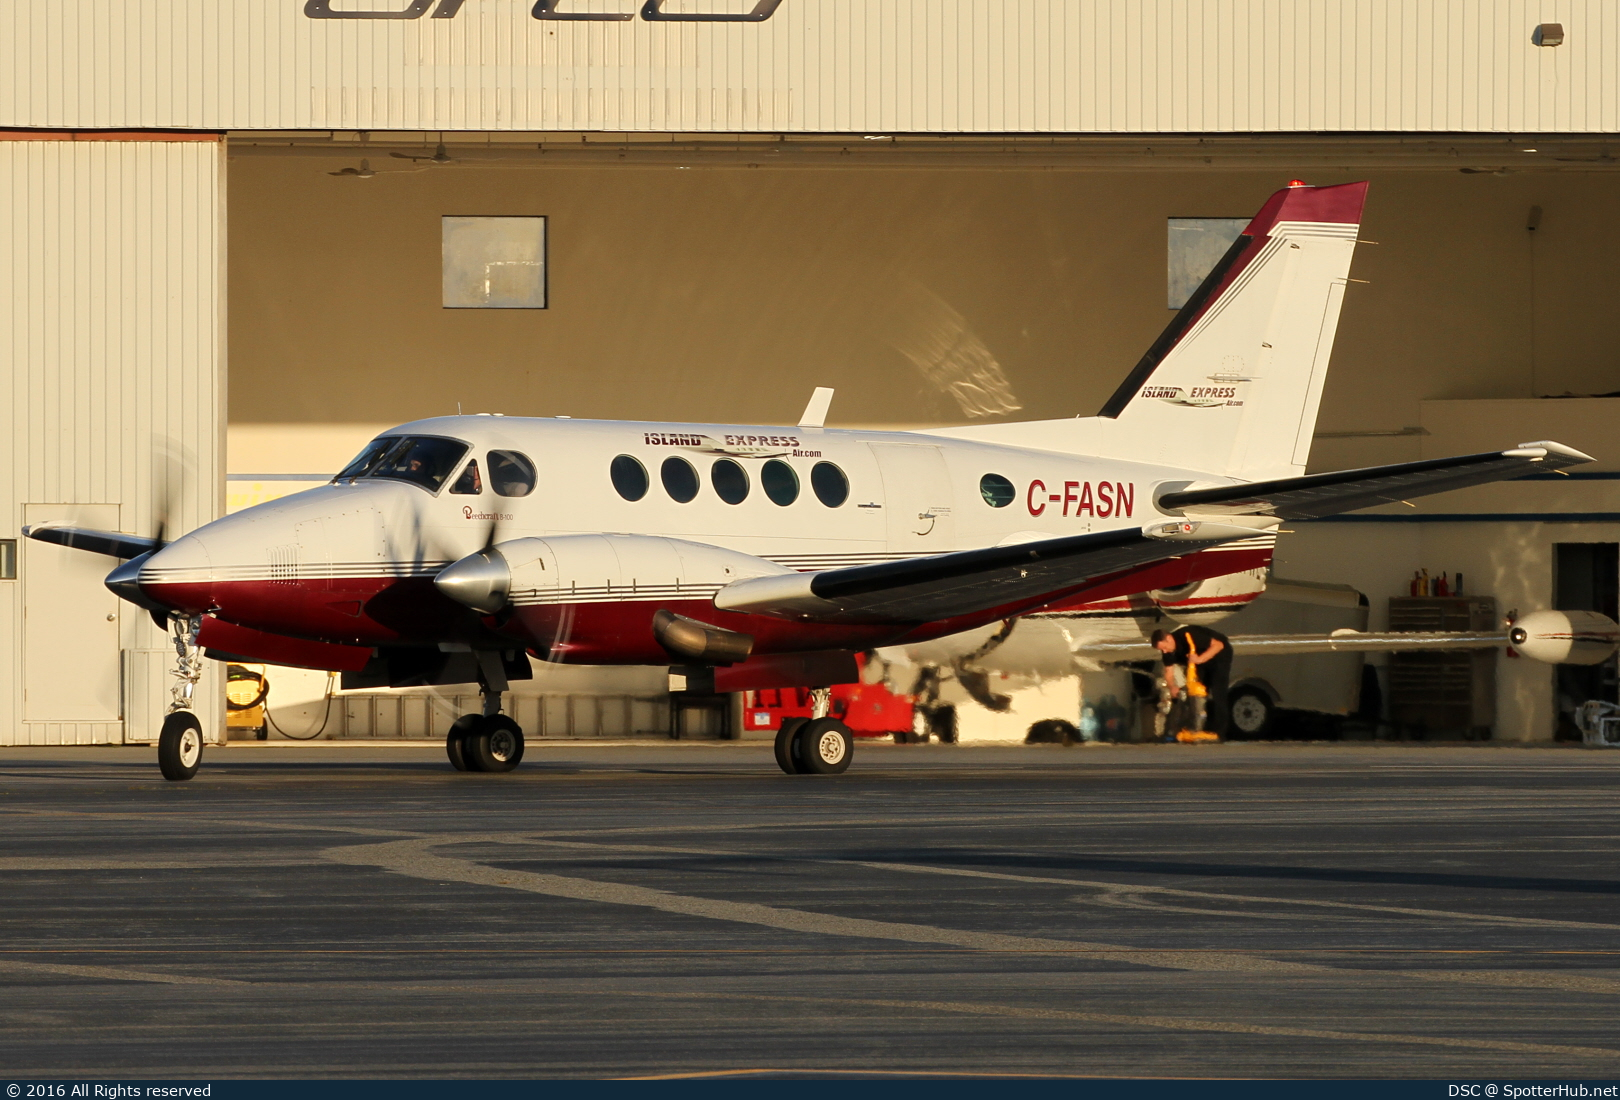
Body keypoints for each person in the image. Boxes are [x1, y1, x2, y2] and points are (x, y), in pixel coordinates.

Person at [1151, 624, 1233, 738]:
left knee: (1217, 691)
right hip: (1198, 661)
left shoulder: (1188, 635)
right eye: (1161, 650)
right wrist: (1172, 686)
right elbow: (1168, 671)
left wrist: (1199, 659)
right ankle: (1202, 726)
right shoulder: (1168, 652)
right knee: (1198, 691)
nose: (1164, 652)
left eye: (1164, 648)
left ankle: (1219, 732)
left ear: (1169, 638)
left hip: (1218, 655)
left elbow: (1219, 645)